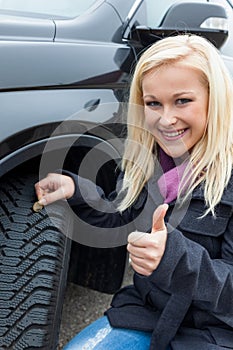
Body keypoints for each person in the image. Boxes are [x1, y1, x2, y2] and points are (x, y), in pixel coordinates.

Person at [35, 34, 233, 350]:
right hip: (147, 313)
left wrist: (173, 258)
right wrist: (78, 189)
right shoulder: (151, 161)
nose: (166, 119)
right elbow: (123, 217)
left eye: (182, 100)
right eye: (154, 103)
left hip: (214, 333)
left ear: (216, 99)